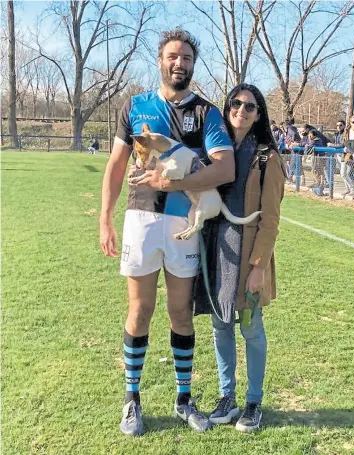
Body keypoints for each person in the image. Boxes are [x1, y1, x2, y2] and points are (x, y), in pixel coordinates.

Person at [99, 28, 235, 436]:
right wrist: (105, 217)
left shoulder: (207, 113)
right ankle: (132, 399)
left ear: (194, 65)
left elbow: (225, 168)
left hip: (183, 224)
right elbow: (116, 166)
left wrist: (171, 185)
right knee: (140, 310)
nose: (180, 64)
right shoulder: (136, 106)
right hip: (141, 221)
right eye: (173, 56)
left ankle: (183, 400)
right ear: (160, 60)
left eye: (187, 58)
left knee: (180, 312)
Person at [194, 83, 285, 433]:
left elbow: (271, 219)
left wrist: (258, 267)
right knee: (220, 327)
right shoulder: (215, 151)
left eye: (250, 106)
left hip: (247, 258)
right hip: (217, 251)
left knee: (250, 328)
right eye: (236, 103)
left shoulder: (267, 159)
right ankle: (226, 397)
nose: (241, 110)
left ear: (259, 114)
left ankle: (253, 402)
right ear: (227, 106)